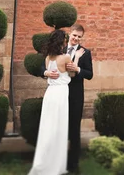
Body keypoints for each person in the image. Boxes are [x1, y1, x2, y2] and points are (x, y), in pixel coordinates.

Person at [29, 29, 85, 175]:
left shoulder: (48, 58)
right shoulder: (66, 57)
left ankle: (44, 162)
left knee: (48, 128)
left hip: (50, 94)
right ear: (62, 42)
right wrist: (77, 58)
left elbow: (47, 68)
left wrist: (46, 72)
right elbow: (72, 73)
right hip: (60, 94)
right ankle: (55, 165)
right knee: (58, 129)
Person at [43, 24, 93, 174]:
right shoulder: (59, 49)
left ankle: (73, 162)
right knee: (58, 128)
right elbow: (42, 65)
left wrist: (77, 69)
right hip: (59, 94)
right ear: (69, 34)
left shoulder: (85, 53)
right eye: (74, 35)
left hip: (75, 96)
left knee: (74, 128)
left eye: (79, 37)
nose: (76, 39)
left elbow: (90, 74)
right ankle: (58, 160)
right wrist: (46, 72)